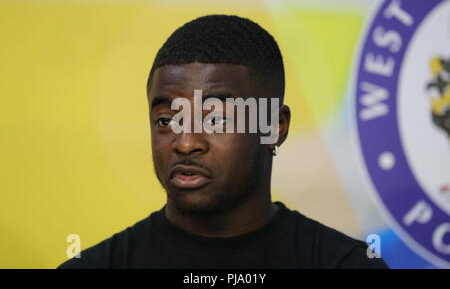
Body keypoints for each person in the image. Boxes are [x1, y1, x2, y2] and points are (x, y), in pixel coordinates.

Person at [58, 14, 388, 269]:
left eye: (215, 119)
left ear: (273, 126)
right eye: (166, 120)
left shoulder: (344, 265)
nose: (185, 143)